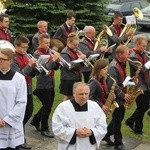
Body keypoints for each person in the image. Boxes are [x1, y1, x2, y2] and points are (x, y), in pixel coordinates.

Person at [52, 82, 107, 150]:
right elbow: (57, 128)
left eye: (86, 94)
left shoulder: (95, 106)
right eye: (81, 94)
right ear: (74, 94)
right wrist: (75, 132)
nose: (84, 97)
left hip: (89, 146)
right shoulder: (63, 107)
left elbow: (103, 127)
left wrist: (91, 132)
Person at [31, 33, 60, 138]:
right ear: (40, 43)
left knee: (47, 105)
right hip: (43, 84)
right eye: (46, 43)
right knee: (47, 107)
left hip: (51, 82)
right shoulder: (37, 54)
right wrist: (53, 60)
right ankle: (45, 128)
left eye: (49, 43)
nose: (48, 45)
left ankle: (35, 120)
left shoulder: (49, 51)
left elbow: (54, 68)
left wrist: (57, 61)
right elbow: (43, 70)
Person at [11, 35, 37, 149]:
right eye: (23, 47)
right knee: (19, 116)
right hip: (18, 90)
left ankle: (19, 138)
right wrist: (29, 65)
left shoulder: (26, 56)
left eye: (27, 47)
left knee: (28, 113)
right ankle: (18, 141)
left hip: (28, 88)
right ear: (16, 46)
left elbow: (31, 74)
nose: (25, 50)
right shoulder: (13, 58)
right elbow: (19, 75)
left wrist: (34, 67)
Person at [103, 45, 131, 150]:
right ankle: (118, 142)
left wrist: (131, 81)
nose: (128, 55)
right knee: (117, 119)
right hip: (116, 97)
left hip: (121, 95)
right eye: (127, 53)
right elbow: (112, 85)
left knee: (118, 118)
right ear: (120, 54)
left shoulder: (123, 63)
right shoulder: (113, 67)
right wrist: (123, 95)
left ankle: (105, 134)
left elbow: (121, 81)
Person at [0, 47, 27, 149]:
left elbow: (21, 102)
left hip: (11, 124)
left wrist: (6, 120)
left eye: (3, 59)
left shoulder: (19, 79)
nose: (0, 61)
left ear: (10, 61)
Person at [125, 36, 150, 135]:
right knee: (141, 107)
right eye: (143, 46)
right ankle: (138, 129)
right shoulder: (132, 55)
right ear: (137, 44)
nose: (145, 48)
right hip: (138, 85)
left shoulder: (144, 53)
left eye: (146, 46)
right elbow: (142, 69)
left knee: (146, 106)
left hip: (147, 83)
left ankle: (130, 121)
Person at [59, 32, 86, 100]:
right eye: (74, 45)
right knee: (71, 97)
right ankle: (64, 109)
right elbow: (69, 66)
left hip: (76, 77)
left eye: (77, 45)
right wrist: (80, 59)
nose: (76, 47)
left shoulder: (75, 51)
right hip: (69, 78)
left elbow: (79, 64)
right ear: (69, 43)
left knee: (72, 97)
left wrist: (84, 60)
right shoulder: (64, 52)